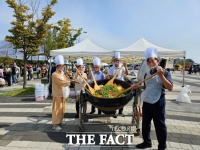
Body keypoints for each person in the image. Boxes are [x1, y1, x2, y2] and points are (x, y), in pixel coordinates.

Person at [131, 47, 173, 150]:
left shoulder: (165, 72)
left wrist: (161, 76)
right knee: (145, 124)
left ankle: (162, 146)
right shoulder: (147, 73)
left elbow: (170, 88)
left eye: (153, 60)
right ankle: (147, 142)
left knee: (159, 124)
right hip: (147, 101)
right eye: (149, 61)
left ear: (157, 61)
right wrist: (138, 86)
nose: (151, 63)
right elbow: (147, 87)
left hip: (158, 102)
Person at [51, 55, 71, 131]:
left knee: (62, 109)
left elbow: (66, 80)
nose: (61, 67)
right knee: (57, 109)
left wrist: (67, 75)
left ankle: (59, 121)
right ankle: (55, 124)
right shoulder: (54, 74)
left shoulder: (62, 73)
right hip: (57, 94)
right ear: (57, 66)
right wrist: (71, 81)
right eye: (60, 65)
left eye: (62, 65)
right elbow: (62, 82)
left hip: (63, 94)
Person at [108, 52, 128, 116]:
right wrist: (114, 76)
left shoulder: (122, 67)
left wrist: (125, 66)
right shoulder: (111, 68)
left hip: (121, 84)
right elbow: (109, 76)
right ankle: (113, 112)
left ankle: (120, 111)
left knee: (121, 97)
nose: (117, 61)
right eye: (116, 60)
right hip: (114, 84)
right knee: (114, 97)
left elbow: (127, 73)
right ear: (114, 61)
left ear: (120, 61)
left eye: (118, 60)